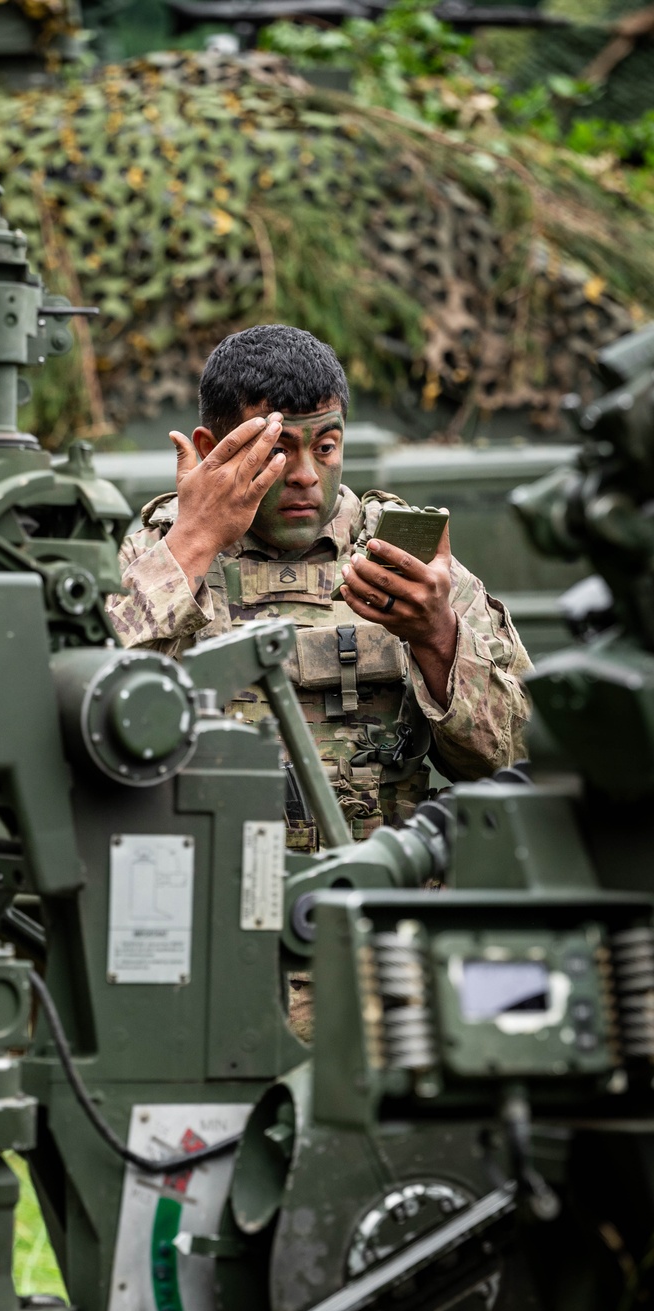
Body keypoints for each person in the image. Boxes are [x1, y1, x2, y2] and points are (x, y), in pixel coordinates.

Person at [107, 327, 531, 1028]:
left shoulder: (407, 561)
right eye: (278, 449)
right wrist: (194, 543)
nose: (306, 475)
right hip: (210, 955)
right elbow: (86, 726)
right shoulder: (154, 558)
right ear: (213, 450)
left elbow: (519, 763)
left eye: (325, 446)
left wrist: (436, 639)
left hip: (386, 956)